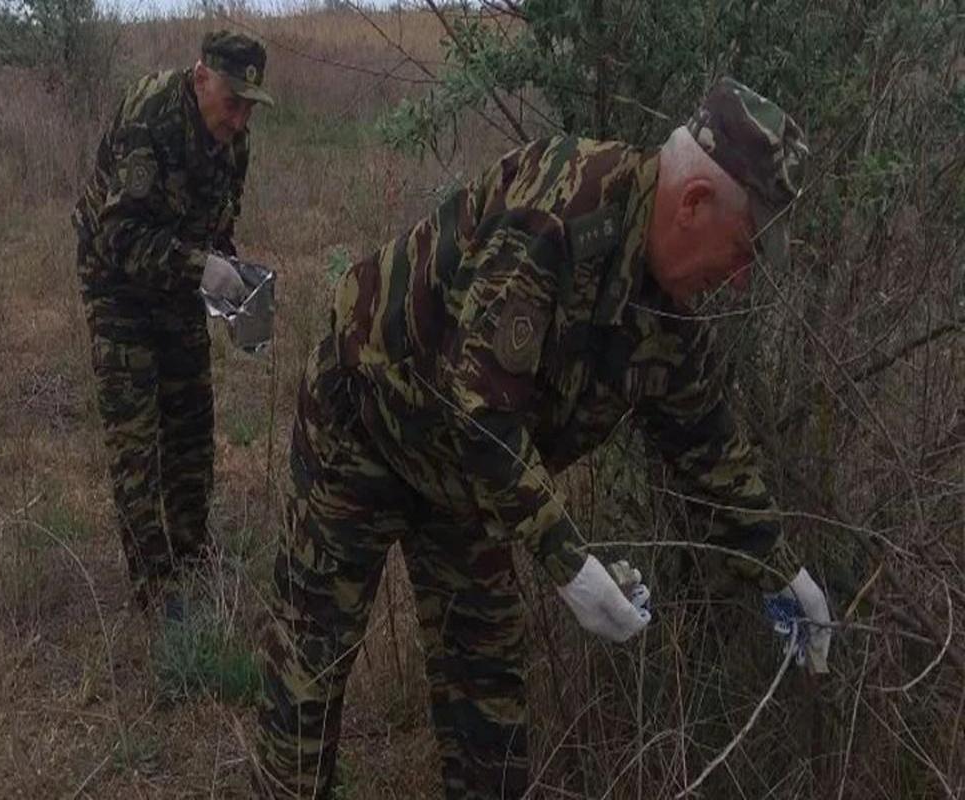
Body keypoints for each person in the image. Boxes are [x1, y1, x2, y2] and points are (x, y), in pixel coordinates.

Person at [253, 78, 831, 799]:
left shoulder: (673, 301)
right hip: (367, 418)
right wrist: (570, 563)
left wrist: (782, 570)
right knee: (315, 651)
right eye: (744, 250)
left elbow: (704, 443)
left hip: (474, 476)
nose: (741, 280)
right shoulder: (560, 211)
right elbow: (478, 412)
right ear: (693, 204)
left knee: (486, 683)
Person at [71, 30, 274, 617]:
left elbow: (214, 227)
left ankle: (192, 552)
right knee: (136, 438)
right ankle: (156, 589)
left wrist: (236, 285)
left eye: (249, 107)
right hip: (116, 286)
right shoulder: (150, 117)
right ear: (201, 77)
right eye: (232, 102)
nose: (239, 120)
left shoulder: (234, 140)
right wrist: (202, 268)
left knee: (191, 418)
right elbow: (119, 236)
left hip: (178, 283)